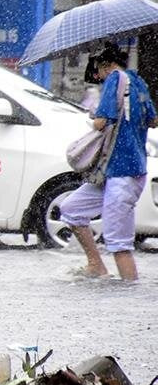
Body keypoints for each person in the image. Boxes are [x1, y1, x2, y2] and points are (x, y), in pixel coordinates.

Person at [60, 43, 158, 280]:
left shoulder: (114, 79)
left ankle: (127, 292)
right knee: (71, 209)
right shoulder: (138, 81)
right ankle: (96, 265)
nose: (98, 77)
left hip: (122, 173)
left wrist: (93, 120)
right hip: (117, 170)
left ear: (105, 66)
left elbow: (102, 121)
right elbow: (153, 121)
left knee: (118, 242)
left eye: (98, 71)